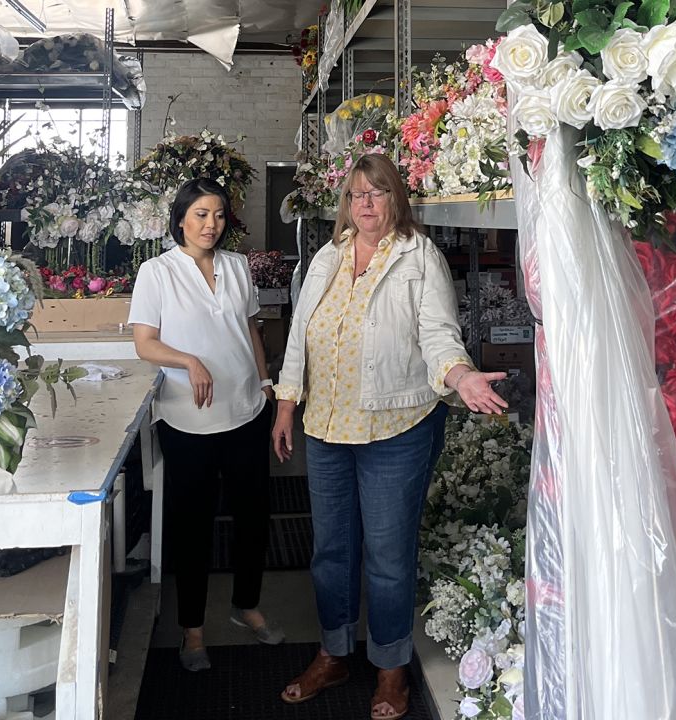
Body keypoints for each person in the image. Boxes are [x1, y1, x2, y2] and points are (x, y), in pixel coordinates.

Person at [272, 154, 508, 719]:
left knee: (387, 556)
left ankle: (390, 668)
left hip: (395, 426)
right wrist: (286, 405)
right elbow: (300, 338)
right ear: (346, 204)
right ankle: (333, 653)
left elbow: (438, 334)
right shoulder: (327, 256)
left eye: (377, 194)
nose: (366, 205)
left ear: (395, 199)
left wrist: (460, 374)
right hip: (326, 426)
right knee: (331, 552)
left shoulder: (417, 256)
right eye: (356, 195)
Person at [129, 177, 284, 672]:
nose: (210, 225)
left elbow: (250, 330)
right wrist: (189, 360)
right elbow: (145, 344)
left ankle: (247, 606)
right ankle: (192, 630)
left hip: (245, 412)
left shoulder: (238, 267)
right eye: (200, 215)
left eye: (217, 215)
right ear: (180, 219)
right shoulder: (157, 272)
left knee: (253, 519)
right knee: (191, 527)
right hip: (187, 420)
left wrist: (264, 383)